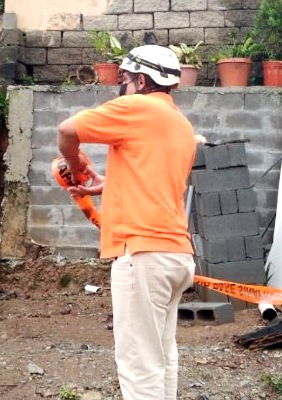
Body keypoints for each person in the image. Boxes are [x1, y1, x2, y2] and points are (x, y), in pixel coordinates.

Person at [57, 45, 196, 400]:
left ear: (141, 79)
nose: (120, 86)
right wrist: (106, 184)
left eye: (124, 78)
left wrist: (74, 167)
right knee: (162, 355)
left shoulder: (136, 107)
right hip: (175, 255)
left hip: (142, 255)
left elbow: (67, 131)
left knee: (138, 363)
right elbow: (152, 180)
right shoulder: (180, 123)